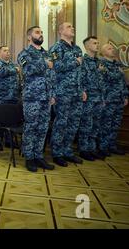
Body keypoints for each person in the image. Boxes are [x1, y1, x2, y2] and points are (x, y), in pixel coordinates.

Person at [17, 26, 55, 172]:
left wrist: (52, 94)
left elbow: (52, 75)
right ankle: (29, 157)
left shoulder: (47, 53)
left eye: (42, 32)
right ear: (29, 37)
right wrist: (44, 63)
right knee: (31, 127)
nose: (41, 34)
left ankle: (38, 155)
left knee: (43, 127)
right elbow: (27, 71)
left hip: (46, 97)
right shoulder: (25, 54)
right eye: (37, 32)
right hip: (32, 96)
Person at [49, 22, 85, 167]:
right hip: (62, 91)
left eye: (73, 26)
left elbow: (80, 73)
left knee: (73, 123)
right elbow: (55, 67)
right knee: (61, 122)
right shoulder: (56, 48)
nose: (73, 28)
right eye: (69, 27)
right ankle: (57, 153)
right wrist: (75, 63)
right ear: (61, 31)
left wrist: (82, 89)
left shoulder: (77, 49)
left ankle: (67, 151)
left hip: (76, 91)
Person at [77, 36, 106, 160]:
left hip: (99, 97)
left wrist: (103, 98)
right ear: (87, 46)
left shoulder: (99, 62)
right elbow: (80, 78)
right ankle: (84, 149)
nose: (97, 45)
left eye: (98, 43)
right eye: (94, 43)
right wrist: (82, 91)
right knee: (86, 124)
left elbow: (102, 82)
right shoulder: (83, 61)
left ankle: (92, 148)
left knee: (96, 124)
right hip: (88, 97)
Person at [99, 43, 129, 156]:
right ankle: (103, 147)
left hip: (119, 99)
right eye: (109, 48)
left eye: (112, 48)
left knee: (115, 124)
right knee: (105, 124)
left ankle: (112, 146)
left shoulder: (118, 65)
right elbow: (102, 82)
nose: (113, 50)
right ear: (103, 52)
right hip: (108, 99)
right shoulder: (101, 64)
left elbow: (123, 82)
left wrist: (125, 96)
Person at [0, 45, 22, 150]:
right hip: (1, 96)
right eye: (5, 51)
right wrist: (15, 70)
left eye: (8, 51)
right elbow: (2, 72)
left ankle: (9, 141)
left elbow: (19, 78)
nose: (8, 52)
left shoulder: (13, 64)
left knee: (11, 121)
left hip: (13, 97)